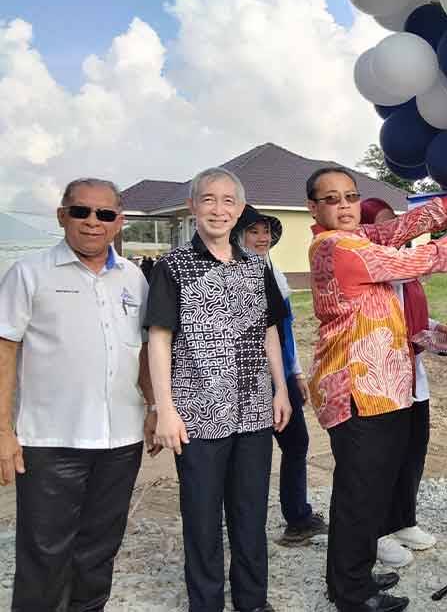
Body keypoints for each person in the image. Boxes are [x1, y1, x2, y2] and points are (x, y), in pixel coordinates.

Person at [306, 168, 447, 612]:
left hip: (383, 386)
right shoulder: (336, 246)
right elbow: (413, 260)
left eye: (351, 195)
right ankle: (351, 593)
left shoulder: (358, 237)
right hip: (358, 387)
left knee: (370, 488)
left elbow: (395, 229)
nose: (345, 205)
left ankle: (354, 572)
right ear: (314, 209)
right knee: (359, 492)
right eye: (332, 199)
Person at [0, 178, 155, 612]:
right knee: (44, 555)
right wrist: (2, 431)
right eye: (81, 211)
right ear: (61, 215)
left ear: (118, 222)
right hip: (51, 441)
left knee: (98, 552)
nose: (93, 222)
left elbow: (142, 349)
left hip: (119, 441)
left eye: (105, 214)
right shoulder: (29, 274)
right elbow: (5, 348)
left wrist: (155, 406)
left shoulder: (134, 278)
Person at [146, 168, 292, 612]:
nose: (218, 209)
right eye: (208, 199)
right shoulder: (173, 267)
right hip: (198, 413)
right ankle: (205, 603)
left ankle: (252, 601)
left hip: (253, 409)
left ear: (240, 209)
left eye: (228, 201)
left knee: (250, 513)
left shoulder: (255, 266)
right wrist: (165, 410)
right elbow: (158, 339)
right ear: (193, 207)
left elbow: (270, 331)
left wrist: (281, 390)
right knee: (203, 518)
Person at [359, 197, 447, 568]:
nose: (395, 235)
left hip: (415, 376)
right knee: (382, 458)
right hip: (383, 379)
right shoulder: (372, 269)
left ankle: (403, 520)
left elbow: (414, 319)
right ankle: (375, 533)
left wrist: (437, 329)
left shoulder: (407, 274)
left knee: (413, 450)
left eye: (396, 226)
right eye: (383, 227)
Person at [234, 205, 328, 547]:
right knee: (256, 452)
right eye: (253, 232)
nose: (262, 238)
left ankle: (297, 517)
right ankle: (276, 523)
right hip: (252, 378)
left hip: (281, 373)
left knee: (295, 443)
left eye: (266, 232)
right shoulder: (238, 272)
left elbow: (284, 331)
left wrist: (296, 372)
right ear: (237, 236)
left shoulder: (272, 270)